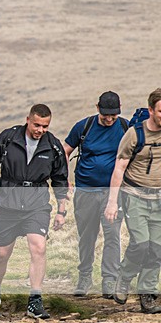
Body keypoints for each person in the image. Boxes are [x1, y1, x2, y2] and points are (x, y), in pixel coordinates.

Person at [0, 104, 69, 319]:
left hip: (36, 203)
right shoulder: (9, 138)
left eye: (45, 126)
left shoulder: (52, 145)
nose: (40, 130)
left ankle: (35, 301)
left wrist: (61, 211)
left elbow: (60, 179)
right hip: (8, 202)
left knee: (38, 247)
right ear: (28, 119)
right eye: (37, 124)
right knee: (2, 253)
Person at [62, 91, 128, 298]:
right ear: (97, 108)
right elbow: (65, 150)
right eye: (105, 114)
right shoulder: (84, 126)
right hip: (85, 191)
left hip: (114, 193)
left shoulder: (126, 128)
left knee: (112, 236)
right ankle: (84, 277)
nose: (109, 119)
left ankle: (109, 281)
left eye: (113, 115)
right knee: (87, 236)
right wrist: (64, 178)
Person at [105, 88, 161, 313]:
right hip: (135, 195)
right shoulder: (135, 134)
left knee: (157, 248)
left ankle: (147, 293)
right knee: (140, 243)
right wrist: (112, 202)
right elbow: (119, 168)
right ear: (151, 110)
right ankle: (124, 276)